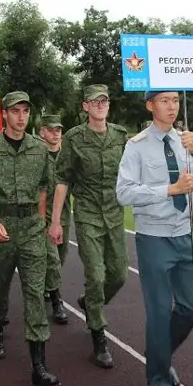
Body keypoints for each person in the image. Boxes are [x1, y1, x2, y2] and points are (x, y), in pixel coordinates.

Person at [116, 91, 193, 386]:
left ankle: (160, 357)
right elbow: (123, 192)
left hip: (185, 237)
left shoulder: (187, 141)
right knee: (160, 312)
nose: (172, 106)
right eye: (164, 101)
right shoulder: (136, 146)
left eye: (175, 101)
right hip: (153, 238)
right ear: (151, 106)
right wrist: (170, 189)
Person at [0, 91, 59, 386]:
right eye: (15, 111)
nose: (21, 117)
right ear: (5, 114)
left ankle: (39, 365)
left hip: (32, 229)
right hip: (0, 228)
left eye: (25, 111)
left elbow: (45, 187)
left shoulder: (39, 148)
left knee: (35, 293)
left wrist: (43, 222)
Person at [49, 84, 128, 369]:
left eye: (104, 100)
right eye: (94, 101)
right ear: (85, 107)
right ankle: (98, 334)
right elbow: (62, 179)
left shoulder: (120, 136)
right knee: (96, 274)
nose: (99, 105)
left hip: (115, 214)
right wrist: (56, 221)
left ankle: (90, 302)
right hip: (87, 215)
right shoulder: (74, 138)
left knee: (119, 274)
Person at [39, 114, 70, 325]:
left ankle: (47, 287)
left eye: (58, 129)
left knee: (60, 256)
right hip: (42, 215)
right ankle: (57, 300)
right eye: (51, 129)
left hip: (64, 215)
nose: (55, 133)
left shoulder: (67, 156)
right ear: (42, 132)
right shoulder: (36, 155)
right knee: (52, 259)